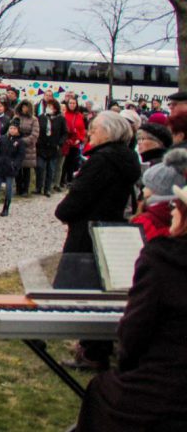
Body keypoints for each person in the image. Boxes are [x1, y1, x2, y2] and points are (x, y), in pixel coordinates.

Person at [76, 183, 187, 430]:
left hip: (166, 391)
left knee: (100, 390)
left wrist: (127, 366)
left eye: (176, 205)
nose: (171, 210)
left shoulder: (165, 259)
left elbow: (134, 333)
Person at [55, 110, 143, 369]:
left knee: (85, 290)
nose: (90, 133)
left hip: (88, 232)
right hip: (109, 228)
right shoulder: (126, 158)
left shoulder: (102, 161)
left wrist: (63, 211)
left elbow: (80, 196)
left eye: (95, 129)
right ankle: (95, 345)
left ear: (110, 132)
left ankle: (91, 349)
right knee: (99, 290)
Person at [0, 120, 25, 216]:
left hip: (10, 169)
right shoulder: (3, 138)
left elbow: (20, 155)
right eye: (11, 128)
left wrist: (15, 164)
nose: (12, 130)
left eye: (14, 128)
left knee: (9, 189)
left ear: (18, 130)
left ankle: (6, 208)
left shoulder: (20, 141)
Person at [36, 99, 68, 196]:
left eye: (51, 107)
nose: (49, 108)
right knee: (40, 167)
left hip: (53, 147)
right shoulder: (41, 117)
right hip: (41, 147)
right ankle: (39, 187)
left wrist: (59, 143)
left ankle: (47, 189)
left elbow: (65, 133)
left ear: (55, 109)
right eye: (48, 106)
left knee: (51, 169)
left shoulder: (60, 119)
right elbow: (37, 130)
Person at [14, 100, 39, 196]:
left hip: (28, 147)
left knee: (26, 169)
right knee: (17, 168)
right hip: (17, 144)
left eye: (26, 107)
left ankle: (25, 189)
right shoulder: (16, 117)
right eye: (23, 107)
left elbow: (35, 134)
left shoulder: (34, 120)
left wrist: (24, 141)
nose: (24, 109)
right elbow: (12, 129)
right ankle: (18, 188)